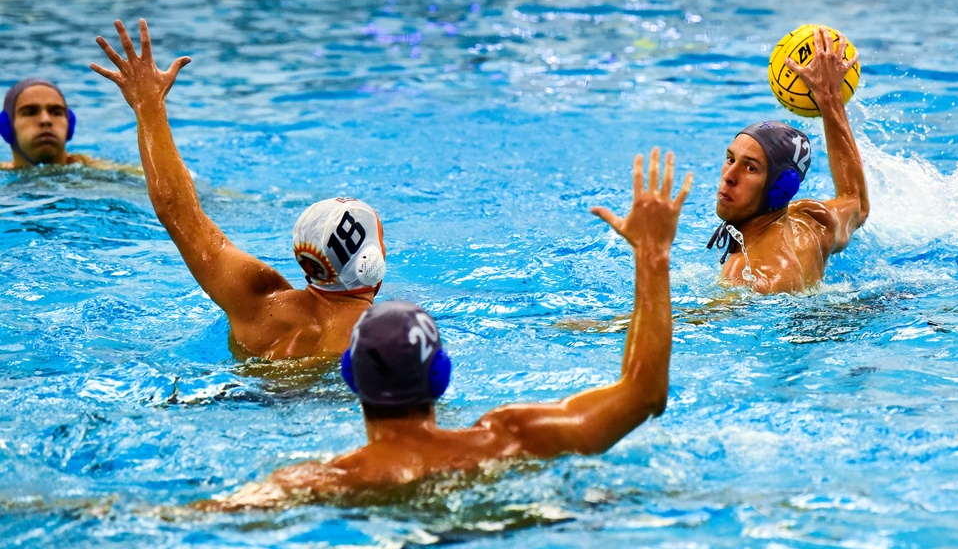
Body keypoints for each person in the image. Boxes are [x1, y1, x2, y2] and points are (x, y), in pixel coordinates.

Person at [194, 148, 692, 511]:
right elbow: (644, 393)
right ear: (442, 375)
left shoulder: (320, 481)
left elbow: (195, 517)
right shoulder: (512, 439)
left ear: (351, 378)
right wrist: (653, 257)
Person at [91, 19, 386, 361]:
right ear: (372, 262)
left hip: (241, 395)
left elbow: (177, 213)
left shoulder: (257, 302)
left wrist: (149, 106)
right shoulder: (387, 337)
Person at [707, 26, 869, 293]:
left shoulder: (747, 272)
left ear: (779, 187)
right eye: (730, 158)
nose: (729, 176)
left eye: (750, 167)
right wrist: (830, 99)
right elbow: (857, 202)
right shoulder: (812, 220)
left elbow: (695, 324)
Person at [1, 78, 98, 169]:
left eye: (56, 113)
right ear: (7, 126)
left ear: (69, 125)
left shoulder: (97, 171)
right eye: (30, 112)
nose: (45, 120)